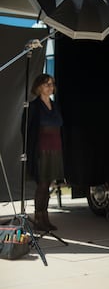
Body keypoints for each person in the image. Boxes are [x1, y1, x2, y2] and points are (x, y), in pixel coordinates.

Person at [23, 73, 64, 231]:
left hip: (55, 149)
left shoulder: (55, 106)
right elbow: (25, 129)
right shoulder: (33, 106)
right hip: (41, 149)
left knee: (48, 184)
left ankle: (45, 217)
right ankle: (38, 217)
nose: (50, 86)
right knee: (42, 184)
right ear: (39, 86)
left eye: (52, 84)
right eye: (47, 84)